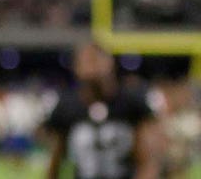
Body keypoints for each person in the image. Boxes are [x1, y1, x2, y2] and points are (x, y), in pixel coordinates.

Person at [44, 42, 162, 179]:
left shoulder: (131, 102)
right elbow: (56, 159)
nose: (93, 66)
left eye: (96, 60)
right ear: (76, 67)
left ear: (110, 63)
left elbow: (148, 160)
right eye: (87, 61)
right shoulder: (67, 106)